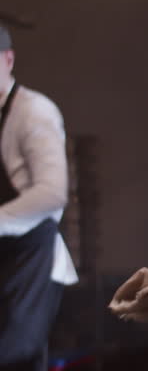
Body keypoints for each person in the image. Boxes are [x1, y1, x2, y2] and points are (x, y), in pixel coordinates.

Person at [0, 24, 78, 371]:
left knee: (14, 356)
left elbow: (52, 194)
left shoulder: (34, 111)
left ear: (9, 59)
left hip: (30, 259)